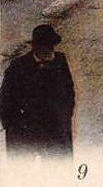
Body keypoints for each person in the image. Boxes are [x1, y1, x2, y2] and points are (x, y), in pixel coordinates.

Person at [1, 24, 76, 159]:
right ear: (36, 47)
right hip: (27, 132)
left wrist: (65, 114)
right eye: (45, 46)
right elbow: (5, 101)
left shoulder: (59, 61)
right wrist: (17, 127)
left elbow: (68, 90)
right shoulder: (17, 68)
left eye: (51, 46)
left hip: (56, 129)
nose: (49, 50)